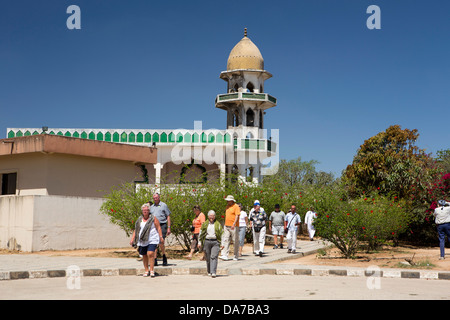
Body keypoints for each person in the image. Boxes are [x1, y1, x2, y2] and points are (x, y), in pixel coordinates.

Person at [130, 204, 164, 277]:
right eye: (144, 210)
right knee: (144, 255)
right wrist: (132, 239)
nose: (145, 211)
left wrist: (161, 236)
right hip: (142, 239)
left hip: (152, 238)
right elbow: (136, 230)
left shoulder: (153, 218)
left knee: (150, 253)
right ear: (142, 211)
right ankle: (146, 270)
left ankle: (152, 270)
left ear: (149, 211)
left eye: (147, 210)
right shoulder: (139, 220)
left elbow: (158, 228)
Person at [198, 210, 224, 278]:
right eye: (210, 216)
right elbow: (201, 233)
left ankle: (213, 272)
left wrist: (222, 243)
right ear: (208, 216)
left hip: (215, 242)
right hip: (207, 241)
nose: (212, 217)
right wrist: (199, 242)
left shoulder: (218, 224)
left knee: (214, 256)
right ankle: (209, 271)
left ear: (215, 216)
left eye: (213, 216)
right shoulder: (205, 224)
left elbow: (222, 234)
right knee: (208, 257)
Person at [150, 193, 171, 266]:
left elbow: (168, 216)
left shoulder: (163, 205)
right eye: (154, 198)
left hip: (162, 225)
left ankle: (164, 256)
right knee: (155, 242)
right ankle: (155, 259)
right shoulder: (151, 207)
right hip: (154, 226)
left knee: (161, 242)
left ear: (159, 197)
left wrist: (169, 227)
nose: (155, 199)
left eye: (156, 197)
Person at [219, 195, 240, 261]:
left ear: (232, 200)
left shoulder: (236, 206)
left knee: (235, 241)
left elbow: (237, 215)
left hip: (233, 226)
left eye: (229, 200)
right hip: (226, 225)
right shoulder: (227, 207)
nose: (228, 202)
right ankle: (225, 255)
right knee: (226, 239)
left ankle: (236, 255)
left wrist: (234, 224)